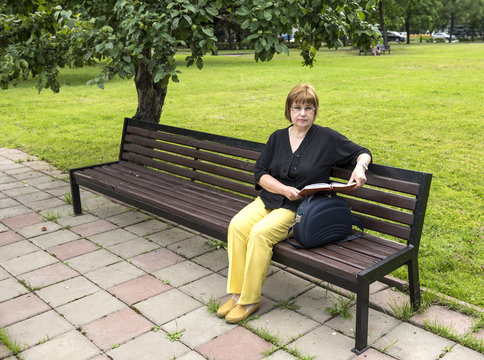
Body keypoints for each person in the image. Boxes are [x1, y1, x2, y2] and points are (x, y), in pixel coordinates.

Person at [216, 83, 372, 323]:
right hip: (270, 198)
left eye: (308, 108)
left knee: (260, 234)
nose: (302, 113)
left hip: (298, 208)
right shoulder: (277, 137)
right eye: (297, 107)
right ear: (288, 110)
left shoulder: (326, 138)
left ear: (315, 111)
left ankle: (249, 300)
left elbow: (361, 152)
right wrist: (282, 189)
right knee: (237, 226)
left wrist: (361, 167)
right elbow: (260, 173)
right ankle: (236, 294)